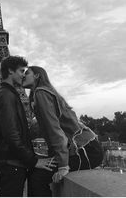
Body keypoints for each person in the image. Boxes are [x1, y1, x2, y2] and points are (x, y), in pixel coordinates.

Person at [22, 66, 104, 196]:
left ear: (37, 75)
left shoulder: (41, 93)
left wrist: (63, 166)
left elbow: (55, 132)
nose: (23, 75)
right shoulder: (43, 94)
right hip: (88, 147)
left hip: (86, 150)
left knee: (37, 179)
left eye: (27, 73)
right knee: (36, 175)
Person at [0, 56, 57, 197]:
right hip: (12, 165)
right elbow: (12, 135)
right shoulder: (6, 95)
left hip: (12, 164)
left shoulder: (8, 94)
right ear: (10, 71)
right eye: (21, 71)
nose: (23, 75)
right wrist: (34, 161)